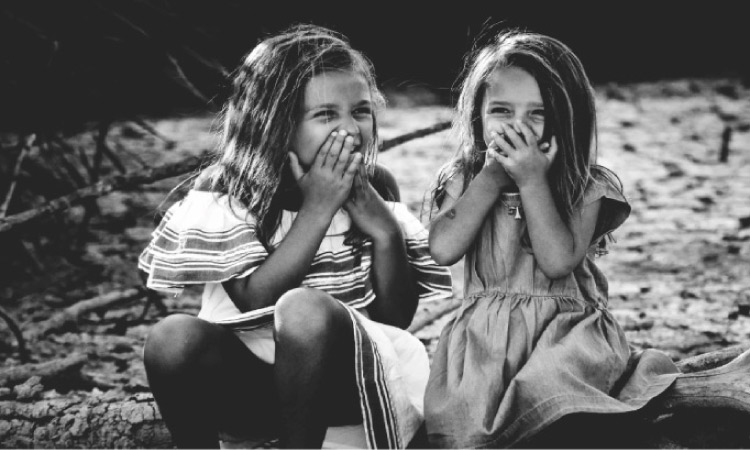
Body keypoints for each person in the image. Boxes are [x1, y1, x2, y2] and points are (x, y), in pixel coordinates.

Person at [138, 24, 453, 449]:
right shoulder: (228, 189)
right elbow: (253, 299)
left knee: (306, 310)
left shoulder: (374, 185)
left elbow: (394, 319)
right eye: (326, 115)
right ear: (277, 124)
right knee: (170, 337)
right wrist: (318, 208)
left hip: (348, 385)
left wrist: (383, 231)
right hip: (249, 386)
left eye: (360, 111)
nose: (349, 129)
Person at [422, 28, 683, 448]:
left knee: (551, 389)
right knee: (460, 421)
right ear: (478, 116)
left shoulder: (585, 186)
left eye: (537, 114)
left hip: (563, 335)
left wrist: (532, 181)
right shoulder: (465, 179)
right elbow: (443, 248)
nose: (517, 127)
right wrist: (490, 178)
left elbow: (558, 260)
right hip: (484, 343)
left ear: (567, 117)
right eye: (501, 112)